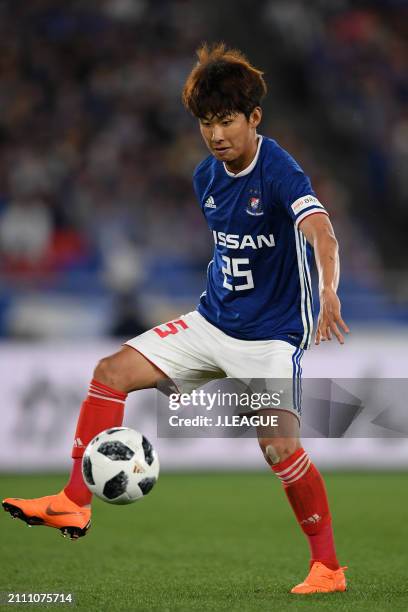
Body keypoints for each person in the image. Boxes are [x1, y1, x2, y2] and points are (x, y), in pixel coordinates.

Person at [3, 43, 350, 595]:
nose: (217, 134)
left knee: (279, 447)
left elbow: (322, 233)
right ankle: (73, 502)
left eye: (228, 120)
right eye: (207, 123)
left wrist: (329, 291)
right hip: (211, 324)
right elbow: (232, 253)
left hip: (270, 340)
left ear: (254, 118)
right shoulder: (205, 179)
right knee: (110, 371)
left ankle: (327, 569)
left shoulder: (280, 171)